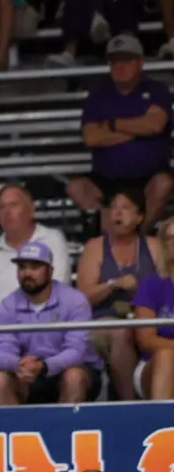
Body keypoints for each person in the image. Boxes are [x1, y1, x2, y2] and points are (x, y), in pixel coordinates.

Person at [0, 184, 73, 406]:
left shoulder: (52, 239)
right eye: (1, 207)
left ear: (31, 209)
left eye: (13, 205)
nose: (7, 211)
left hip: (43, 322)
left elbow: (57, 290)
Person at [68, 37, 173, 230]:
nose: (120, 66)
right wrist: (138, 129)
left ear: (140, 63)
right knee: (77, 187)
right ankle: (114, 239)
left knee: (164, 183)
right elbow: (91, 137)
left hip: (148, 177)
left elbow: (156, 125)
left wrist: (112, 124)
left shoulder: (157, 90)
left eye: (126, 60)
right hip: (107, 179)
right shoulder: (98, 96)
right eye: (114, 61)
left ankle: (138, 236)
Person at [76, 188, 166, 399]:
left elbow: (166, 288)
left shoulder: (153, 246)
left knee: (149, 332)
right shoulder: (95, 247)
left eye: (125, 208)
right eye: (114, 208)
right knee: (121, 333)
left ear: (140, 217)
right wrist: (112, 284)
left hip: (146, 318)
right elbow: (82, 298)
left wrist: (143, 292)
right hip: (103, 322)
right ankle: (129, 404)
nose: (117, 213)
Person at [0, 240, 103, 406]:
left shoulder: (74, 300)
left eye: (35, 267)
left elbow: (76, 352)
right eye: (22, 267)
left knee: (74, 377)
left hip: (71, 370)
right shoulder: (8, 304)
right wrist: (18, 365)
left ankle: (65, 431)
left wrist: (44, 366)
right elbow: (1, 352)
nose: (27, 273)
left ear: (50, 271)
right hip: (27, 375)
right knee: (0, 381)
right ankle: (14, 431)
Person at [131, 220, 174, 401]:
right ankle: (165, 424)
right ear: (164, 246)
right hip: (155, 365)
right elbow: (146, 339)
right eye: (171, 238)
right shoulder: (151, 284)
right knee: (166, 356)